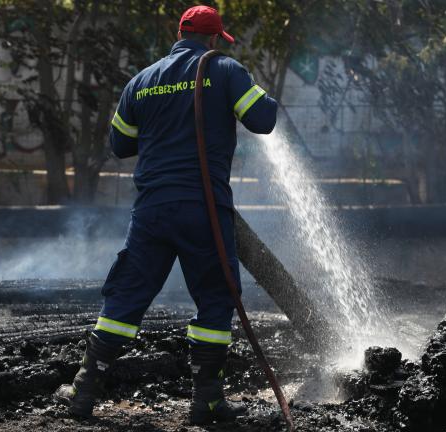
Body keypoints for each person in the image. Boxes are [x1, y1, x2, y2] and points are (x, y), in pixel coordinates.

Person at [54, 5, 278, 426]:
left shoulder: (142, 80)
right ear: (214, 39)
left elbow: (120, 145)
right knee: (215, 297)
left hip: (151, 211)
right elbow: (263, 119)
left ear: (179, 34)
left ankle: (84, 389)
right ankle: (207, 400)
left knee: (126, 296)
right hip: (203, 209)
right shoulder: (226, 69)